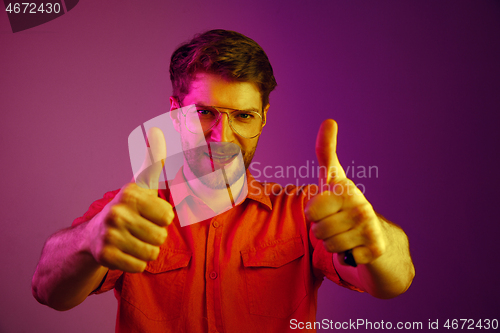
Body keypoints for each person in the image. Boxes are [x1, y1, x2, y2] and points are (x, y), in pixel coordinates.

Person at [32, 29, 415, 332]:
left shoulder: (304, 212)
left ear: (263, 117)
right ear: (175, 111)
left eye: (243, 116)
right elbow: (47, 290)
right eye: (205, 112)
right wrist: (89, 239)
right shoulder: (129, 211)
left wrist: (377, 241)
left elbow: (393, 282)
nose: (222, 136)